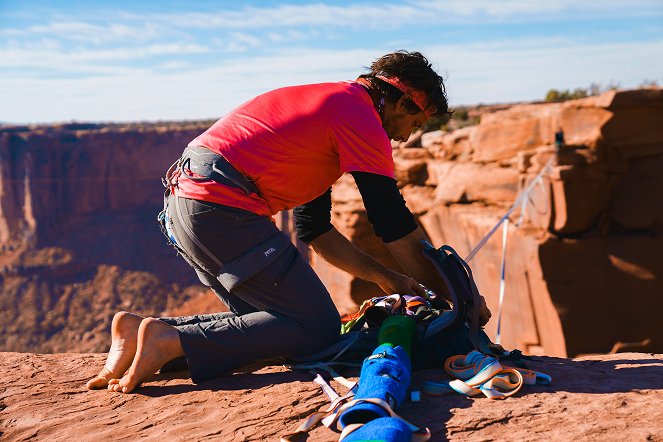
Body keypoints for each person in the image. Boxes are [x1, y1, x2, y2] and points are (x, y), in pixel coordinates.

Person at [86, 50, 491, 394]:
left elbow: (314, 229)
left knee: (275, 335)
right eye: (414, 124)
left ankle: (142, 331)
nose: (405, 139)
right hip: (221, 208)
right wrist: (458, 298)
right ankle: (169, 338)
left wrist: (388, 279)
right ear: (402, 102)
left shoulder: (331, 106)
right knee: (315, 331)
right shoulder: (362, 117)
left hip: (187, 206)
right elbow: (393, 223)